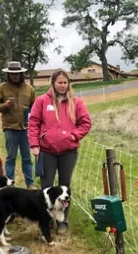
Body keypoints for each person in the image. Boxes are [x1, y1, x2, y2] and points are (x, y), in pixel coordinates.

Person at [28, 69, 92, 234]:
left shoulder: (76, 103)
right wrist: (34, 144)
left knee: (64, 187)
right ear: (53, 83)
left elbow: (86, 123)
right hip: (46, 152)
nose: (63, 86)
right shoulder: (42, 101)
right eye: (60, 83)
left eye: (65, 83)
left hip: (68, 152)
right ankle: (47, 219)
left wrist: (73, 136)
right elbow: (33, 123)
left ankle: (63, 221)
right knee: (47, 187)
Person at [0, 60, 36, 188]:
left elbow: (34, 108)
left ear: (21, 74)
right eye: (12, 73)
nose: (14, 75)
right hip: (10, 128)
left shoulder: (29, 89)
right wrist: (5, 105)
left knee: (27, 158)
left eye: (17, 73)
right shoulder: (2, 88)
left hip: (25, 128)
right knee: (11, 158)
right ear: (8, 74)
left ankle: (30, 184)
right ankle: (9, 185)